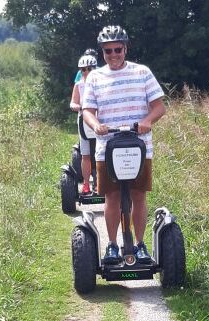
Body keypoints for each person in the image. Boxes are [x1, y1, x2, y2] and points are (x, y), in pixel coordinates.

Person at [82, 25, 166, 264]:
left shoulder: (142, 73)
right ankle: (111, 245)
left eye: (117, 49)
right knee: (112, 197)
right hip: (107, 148)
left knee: (138, 195)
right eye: (108, 51)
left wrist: (147, 121)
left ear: (125, 49)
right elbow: (88, 110)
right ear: (102, 53)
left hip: (139, 147)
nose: (113, 55)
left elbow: (159, 107)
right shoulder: (96, 77)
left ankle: (139, 245)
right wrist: (96, 124)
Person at [70, 54, 98, 194]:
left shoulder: (100, 83)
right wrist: (76, 106)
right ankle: (86, 184)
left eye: (89, 69)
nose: (86, 72)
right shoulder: (79, 85)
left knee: (101, 154)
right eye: (83, 69)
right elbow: (73, 102)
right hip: (83, 122)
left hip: (98, 121)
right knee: (86, 155)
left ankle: (100, 183)